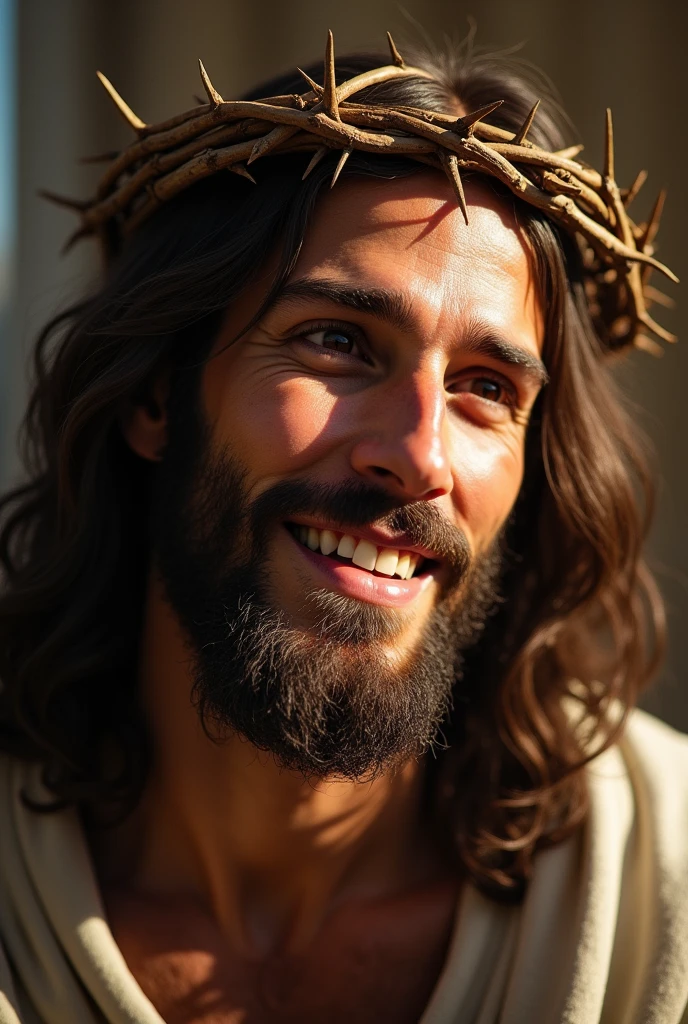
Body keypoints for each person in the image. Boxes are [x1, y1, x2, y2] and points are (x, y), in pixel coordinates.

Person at [0, 34, 686, 1024]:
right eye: (336, 341)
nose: (420, 457)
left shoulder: (651, 888)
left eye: (484, 389)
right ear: (156, 390)